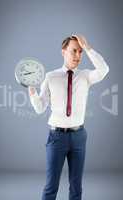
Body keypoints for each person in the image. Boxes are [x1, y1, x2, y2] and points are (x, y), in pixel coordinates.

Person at [28, 35, 109, 200]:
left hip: (79, 136)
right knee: (51, 187)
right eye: (74, 51)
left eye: (80, 52)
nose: (77, 55)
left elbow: (104, 70)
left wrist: (88, 48)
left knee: (76, 187)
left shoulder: (85, 76)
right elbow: (39, 108)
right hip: (56, 137)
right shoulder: (51, 77)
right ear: (63, 52)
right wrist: (32, 93)